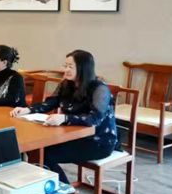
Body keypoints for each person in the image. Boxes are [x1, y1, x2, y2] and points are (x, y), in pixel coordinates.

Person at [11, 50, 118, 184]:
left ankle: (67, 192)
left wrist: (65, 118)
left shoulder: (99, 89)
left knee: (46, 155)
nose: (65, 70)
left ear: (83, 68)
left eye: (70, 67)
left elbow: (94, 119)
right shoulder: (66, 84)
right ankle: (44, 188)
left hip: (98, 141)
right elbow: (50, 103)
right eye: (65, 65)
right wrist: (27, 109)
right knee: (36, 150)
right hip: (73, 135)